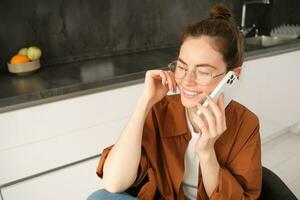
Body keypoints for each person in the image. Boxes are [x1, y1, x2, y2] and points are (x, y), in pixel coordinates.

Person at [88, 4, 262, 200]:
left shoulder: (246, 124)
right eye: (182, 66)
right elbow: (114, 183)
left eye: (203, 72)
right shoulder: (161, 109)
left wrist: (206, 152)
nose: (187, 81)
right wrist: (144, 102)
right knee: (100, 197)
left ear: (233, 75)